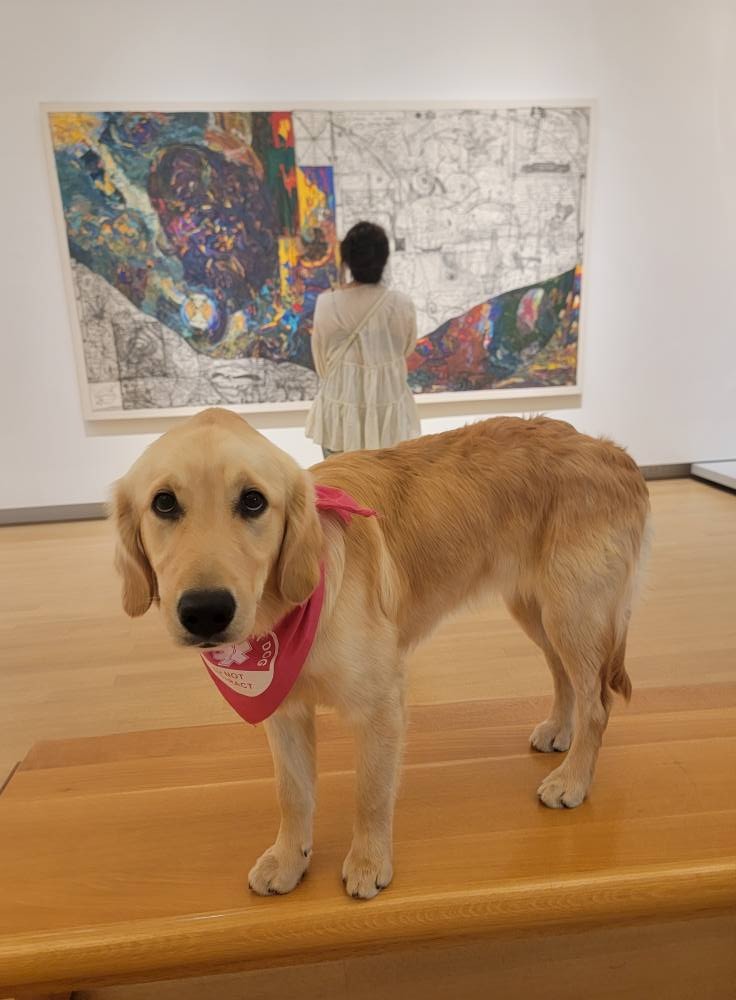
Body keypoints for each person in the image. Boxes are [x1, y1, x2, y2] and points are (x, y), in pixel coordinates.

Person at [306, 221, 421, 458]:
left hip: (339, 416)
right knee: (390, 480)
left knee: (342, 479)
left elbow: (322, 363)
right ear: (384, 259)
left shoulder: (327, 304)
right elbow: (407, 349)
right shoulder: (401, 304)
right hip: (388, 414)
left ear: (347, 259)